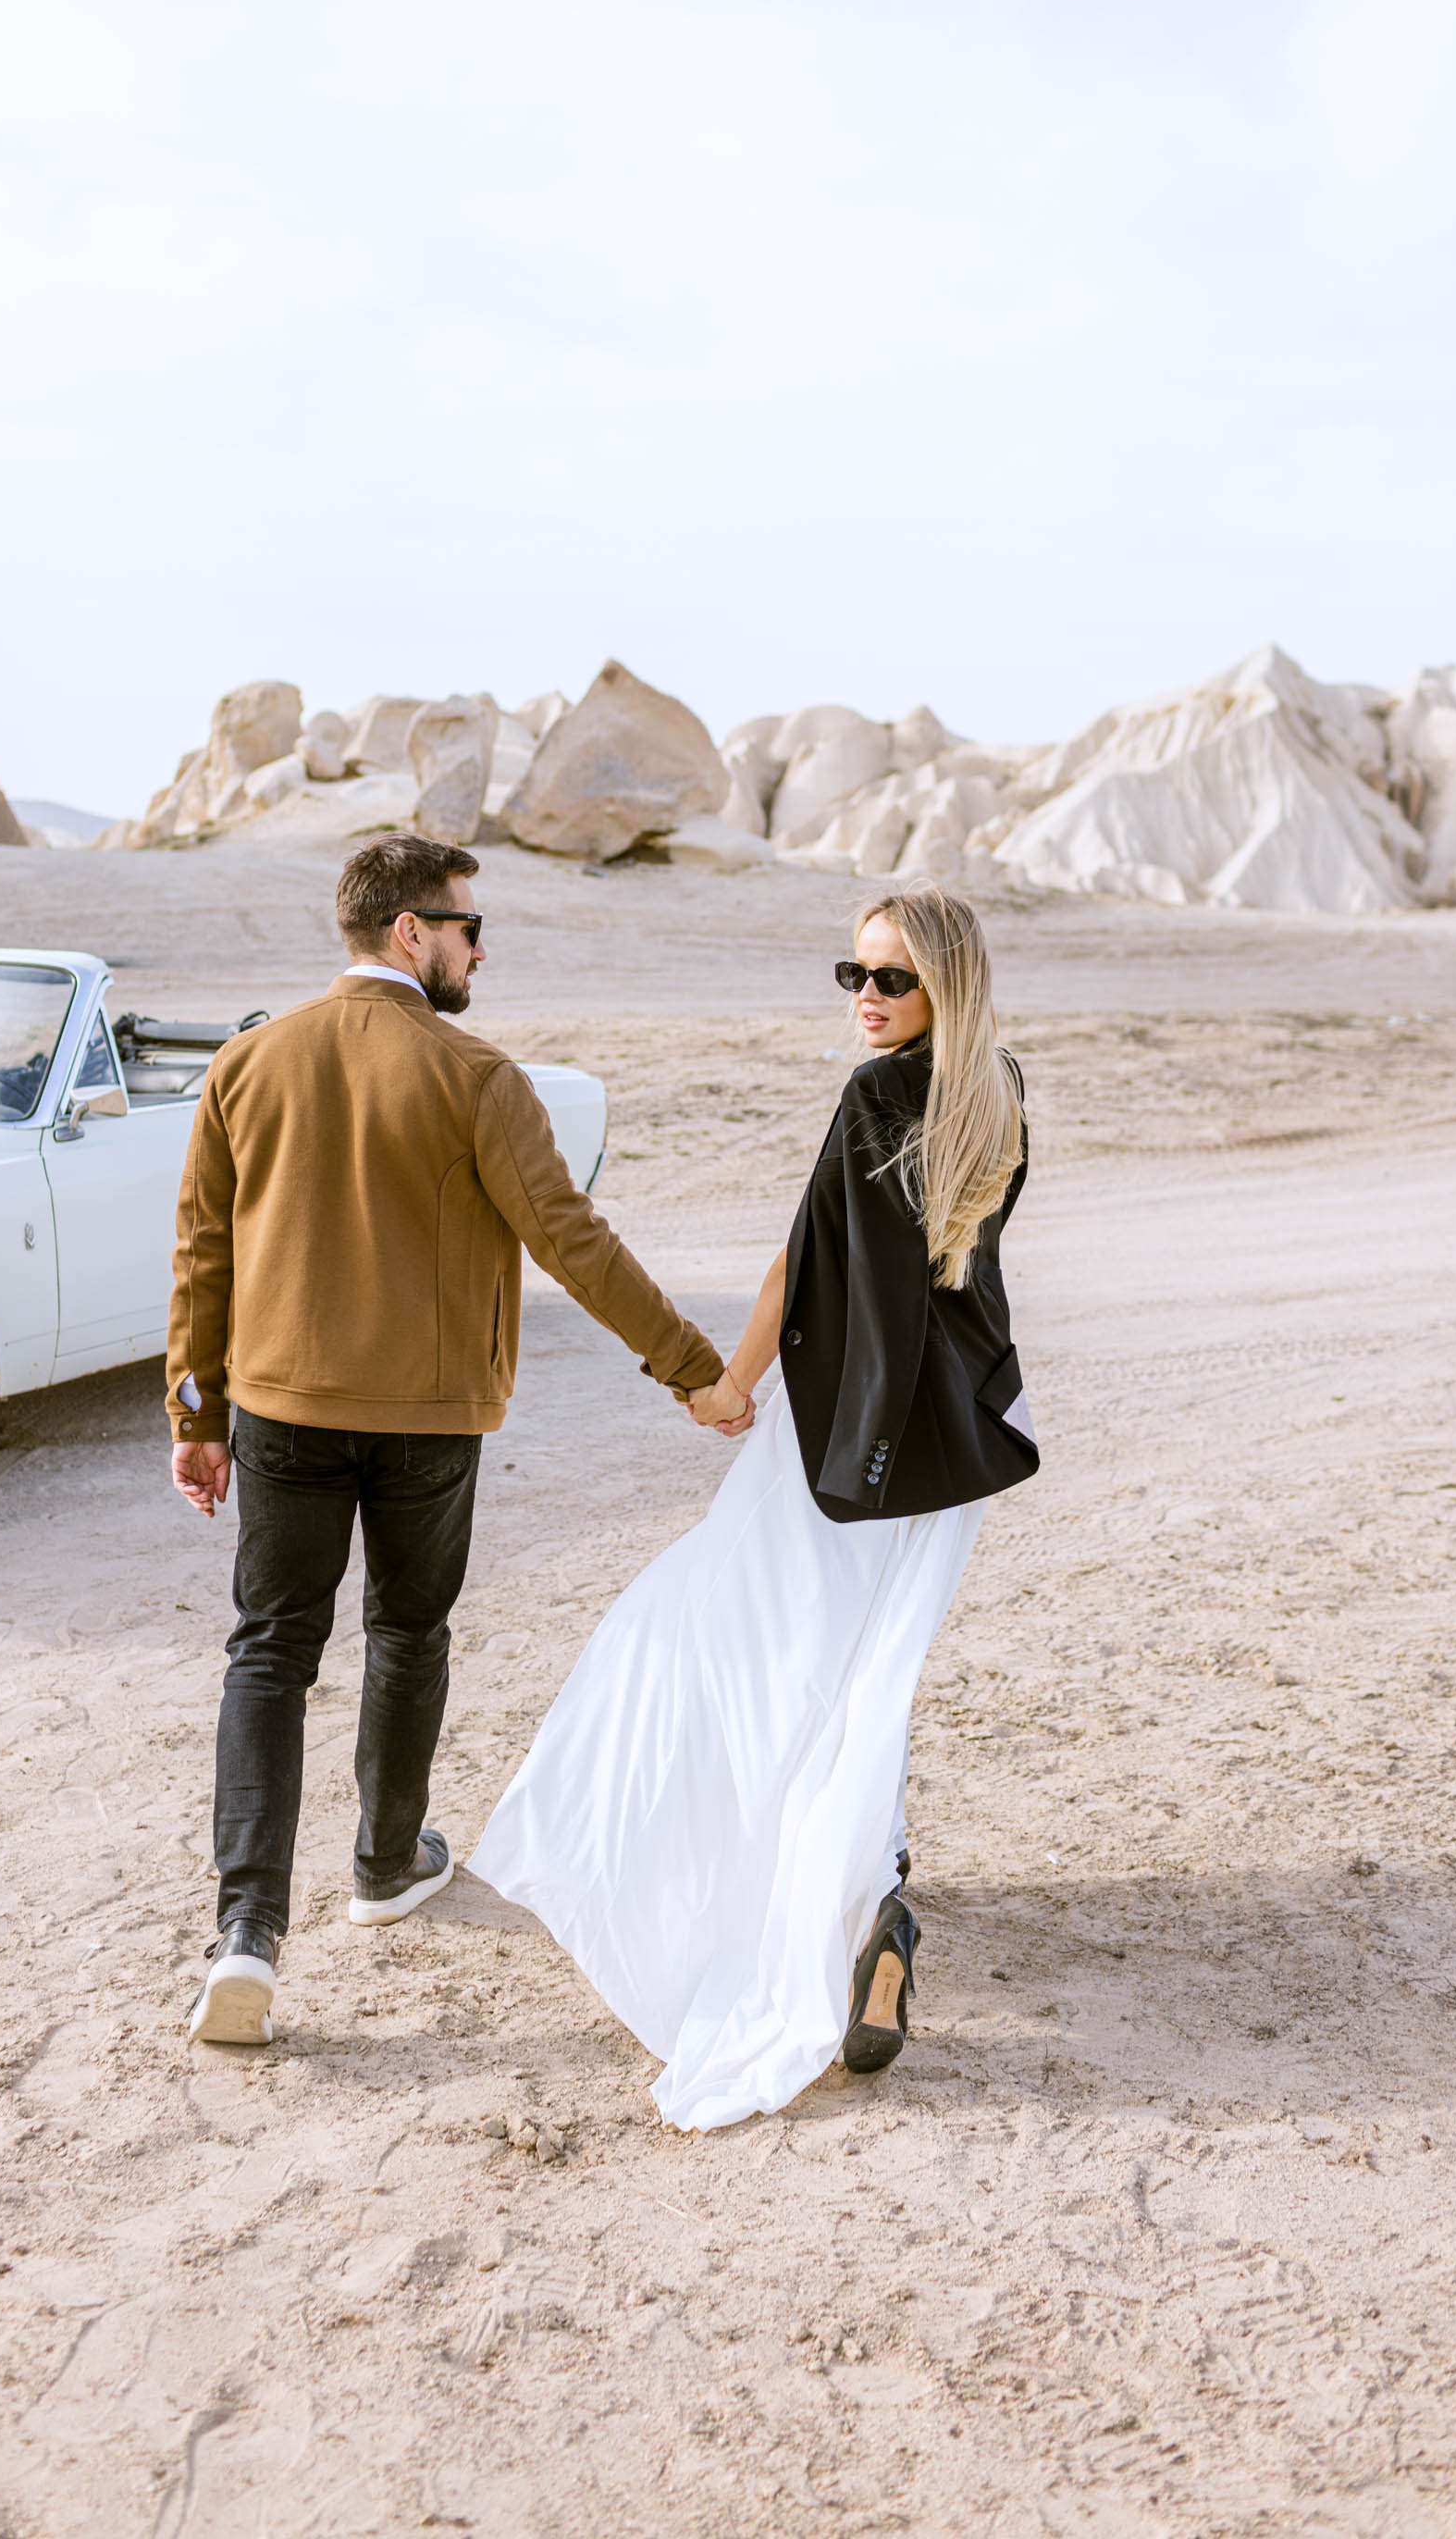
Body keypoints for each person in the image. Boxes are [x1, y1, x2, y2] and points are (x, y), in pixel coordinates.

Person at [470, 880, 1037, 2131]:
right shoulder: (994, 1092)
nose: (867, 999)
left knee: (709, 1641)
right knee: (863, 1671)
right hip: (966, 1431)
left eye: (891, 979)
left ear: (943, 983)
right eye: (853, 976)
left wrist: (726, 1380)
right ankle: (875, 1916)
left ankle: (805, 1910)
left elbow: (801, 1257)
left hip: (851, 1437)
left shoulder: (876, 1097)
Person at [169, 835, 723, 2046]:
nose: (481, 948)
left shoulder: (247, 1063)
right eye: (469, 926)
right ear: (410, 933)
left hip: (279, 1410)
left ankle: (246, 1936)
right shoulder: (477, 1076)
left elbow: (202, 1252)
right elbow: (571, 1242)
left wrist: (194, 1416)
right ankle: (381, 1866)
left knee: (270, 1650)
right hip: (425, 1424)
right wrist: (693, 1373)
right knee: (406, 1632)